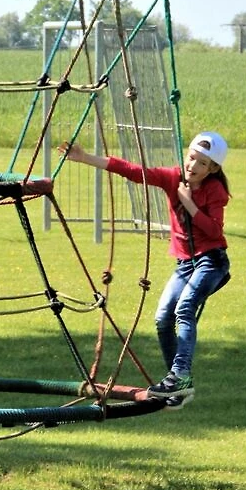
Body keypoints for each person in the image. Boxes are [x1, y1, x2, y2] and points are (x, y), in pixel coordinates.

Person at [60, 131, 231, 407]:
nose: (193, 166)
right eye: (191, 158)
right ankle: (179, 384)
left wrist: (187, 201)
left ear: (212, 169)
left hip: (211, 261)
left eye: (202, 163)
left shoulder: (215, 191)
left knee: (184, 308)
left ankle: (180, 375)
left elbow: (214, 231)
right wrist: (84, 158)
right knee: (163, 318)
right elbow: (131, 170)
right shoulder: (172, 177)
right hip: (185, 264)